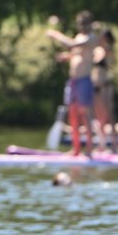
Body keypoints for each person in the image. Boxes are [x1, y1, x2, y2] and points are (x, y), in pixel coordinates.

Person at [47, 10, 98, 157]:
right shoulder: (80, 36)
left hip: (84, 80)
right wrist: (67, 57)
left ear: (89, 24)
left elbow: (72, 44)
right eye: (79, 23)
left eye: (83, 23)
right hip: (73, 81)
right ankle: (76, 149)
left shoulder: (91, 38)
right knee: (72, 114)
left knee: (86, 115)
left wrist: (55, 34)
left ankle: (89, 150)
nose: (81, 26)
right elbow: (77, 52)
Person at [92, 27, 118, 153]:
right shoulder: (97, 49)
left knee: (109, 115)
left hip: (105, 86)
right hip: (96, 87)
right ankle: (101, 145)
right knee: (99, 117)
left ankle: (114, 144)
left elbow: (103, 59)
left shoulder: (107, 50)